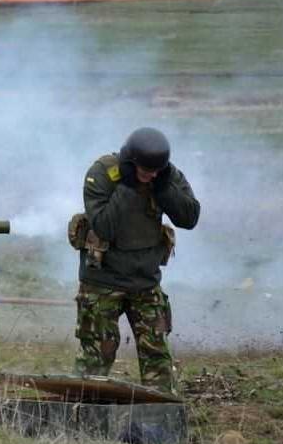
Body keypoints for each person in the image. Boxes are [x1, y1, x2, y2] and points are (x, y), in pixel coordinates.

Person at [71, 127, 200, 394]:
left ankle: (160, 422)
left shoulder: (165, 174)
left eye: (156, 170)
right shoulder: (102, 174)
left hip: (145, 280)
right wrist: (128, 186)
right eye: (145, 171)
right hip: (102, 280)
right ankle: (81, 413)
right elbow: (105, 226)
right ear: (130, 162)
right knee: (97, 356)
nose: (151, 176)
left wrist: (165, 189)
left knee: (157, 359)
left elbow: (190, 217)